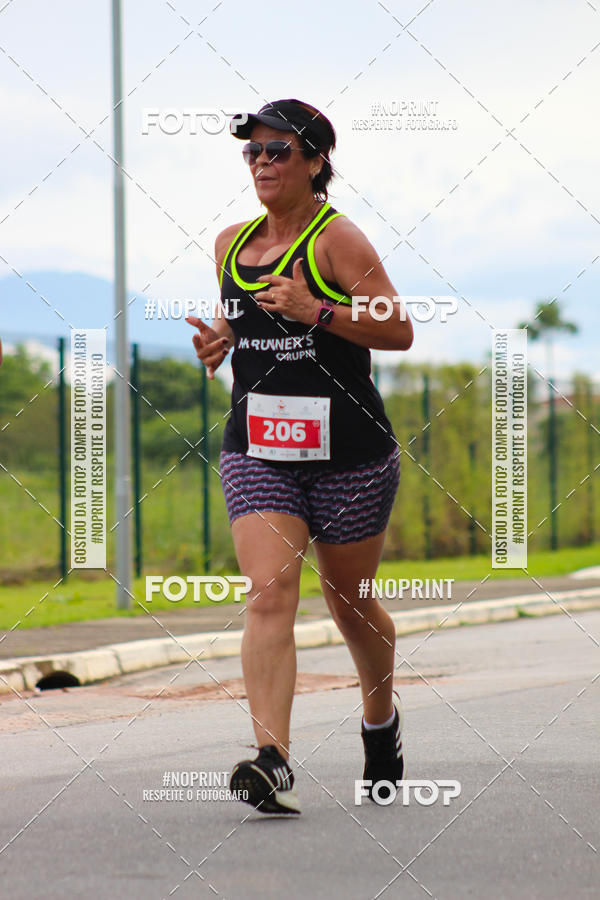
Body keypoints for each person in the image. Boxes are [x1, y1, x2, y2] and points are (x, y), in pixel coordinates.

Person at [187, 99, 413, 815]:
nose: (261, 163)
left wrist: (316, 309)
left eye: (277, 150)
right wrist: (220, 341)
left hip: (349, 452)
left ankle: (380, 722)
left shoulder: (336, 240)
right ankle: (272, 757)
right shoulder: (230, 243)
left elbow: (397, 327)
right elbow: (243, 319)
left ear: (315, 161)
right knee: (270, 590)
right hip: (259, 446)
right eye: (252, 153)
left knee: (348, 603)